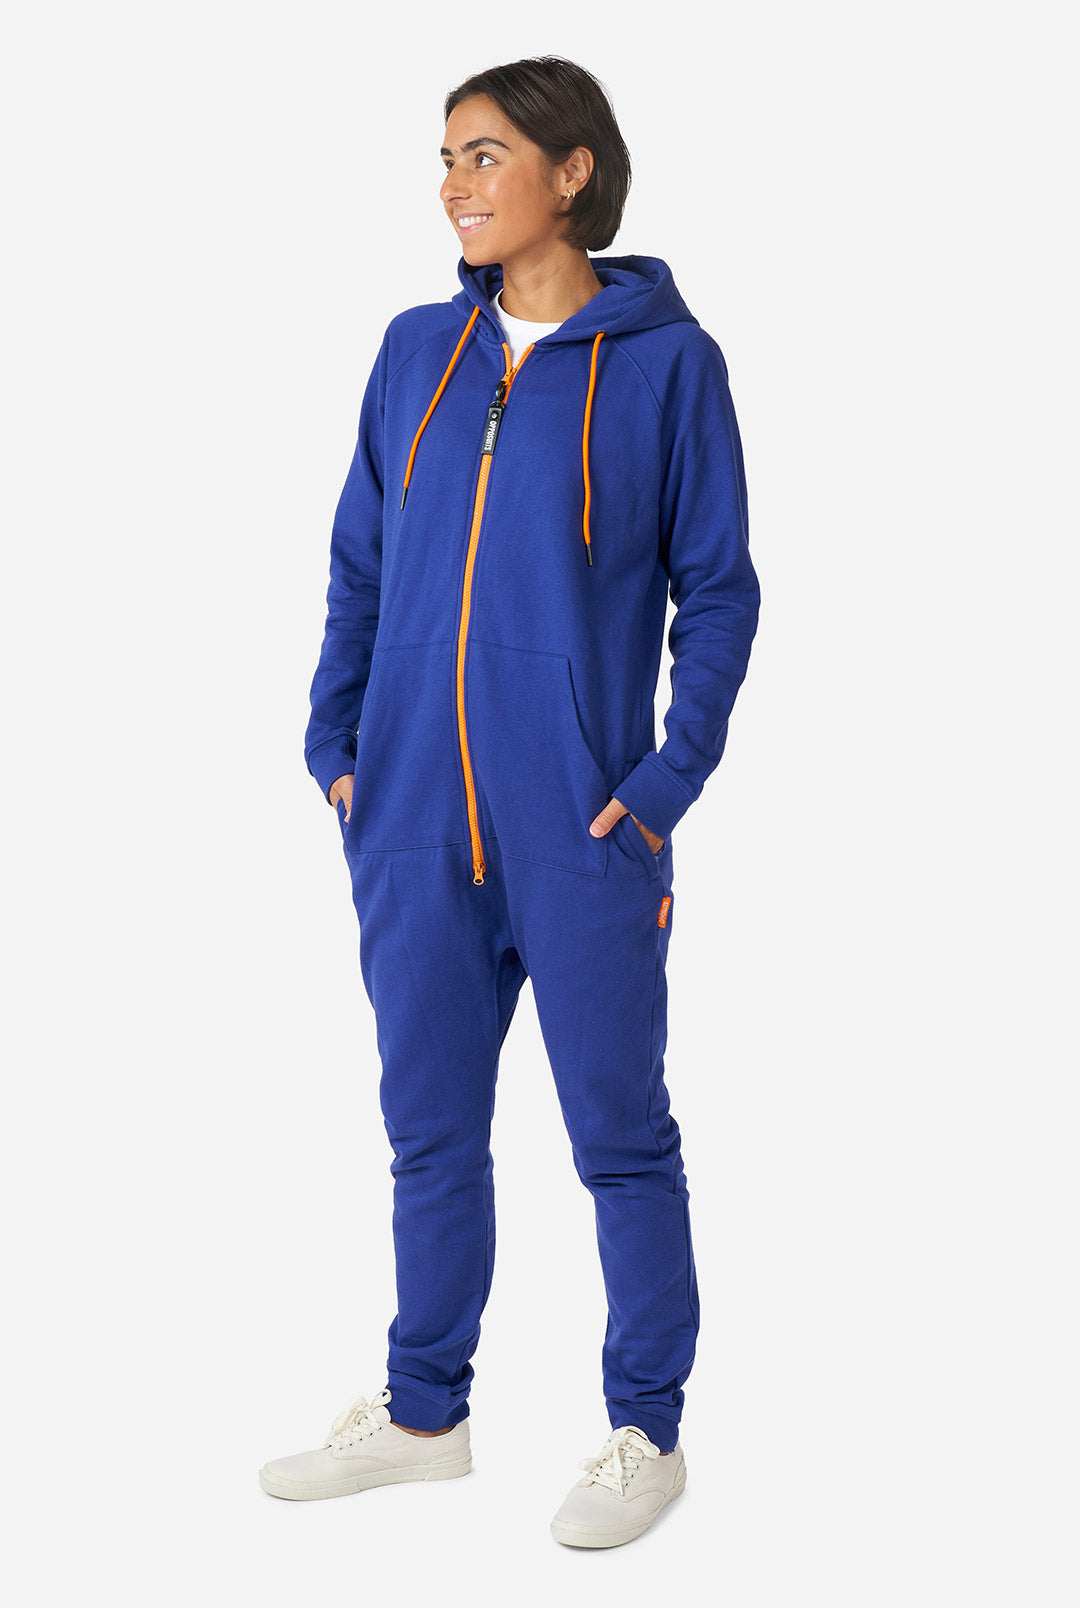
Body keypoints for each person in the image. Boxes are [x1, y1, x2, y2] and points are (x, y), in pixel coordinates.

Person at [259, 55, 761, 1549]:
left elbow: (720, 591)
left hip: (584, 825)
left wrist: (664, 781)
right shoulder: (416, 350)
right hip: (408, 813)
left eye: (483, 155)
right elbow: (360, 558)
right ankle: (427, 1415)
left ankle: (644, 1431)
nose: (454, 186)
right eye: (445, 159)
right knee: (427, 1134)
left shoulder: (669, 366)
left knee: (620, 1136)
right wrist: (336, 743)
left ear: (572, 169)